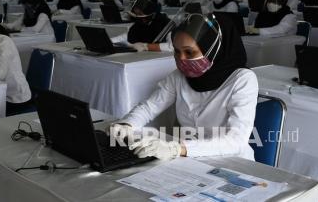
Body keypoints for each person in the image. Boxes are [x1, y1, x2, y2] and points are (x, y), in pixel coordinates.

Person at [109, 14, 258, 161]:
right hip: (189, 158)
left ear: (212, 49)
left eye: (189, 52)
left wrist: (178, 149)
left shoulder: (242, 79)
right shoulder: (179, 76)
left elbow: (236, 140)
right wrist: (127, 124)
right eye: (177, 51)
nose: (182, 59)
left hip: (232, 161)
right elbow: (149, 107)